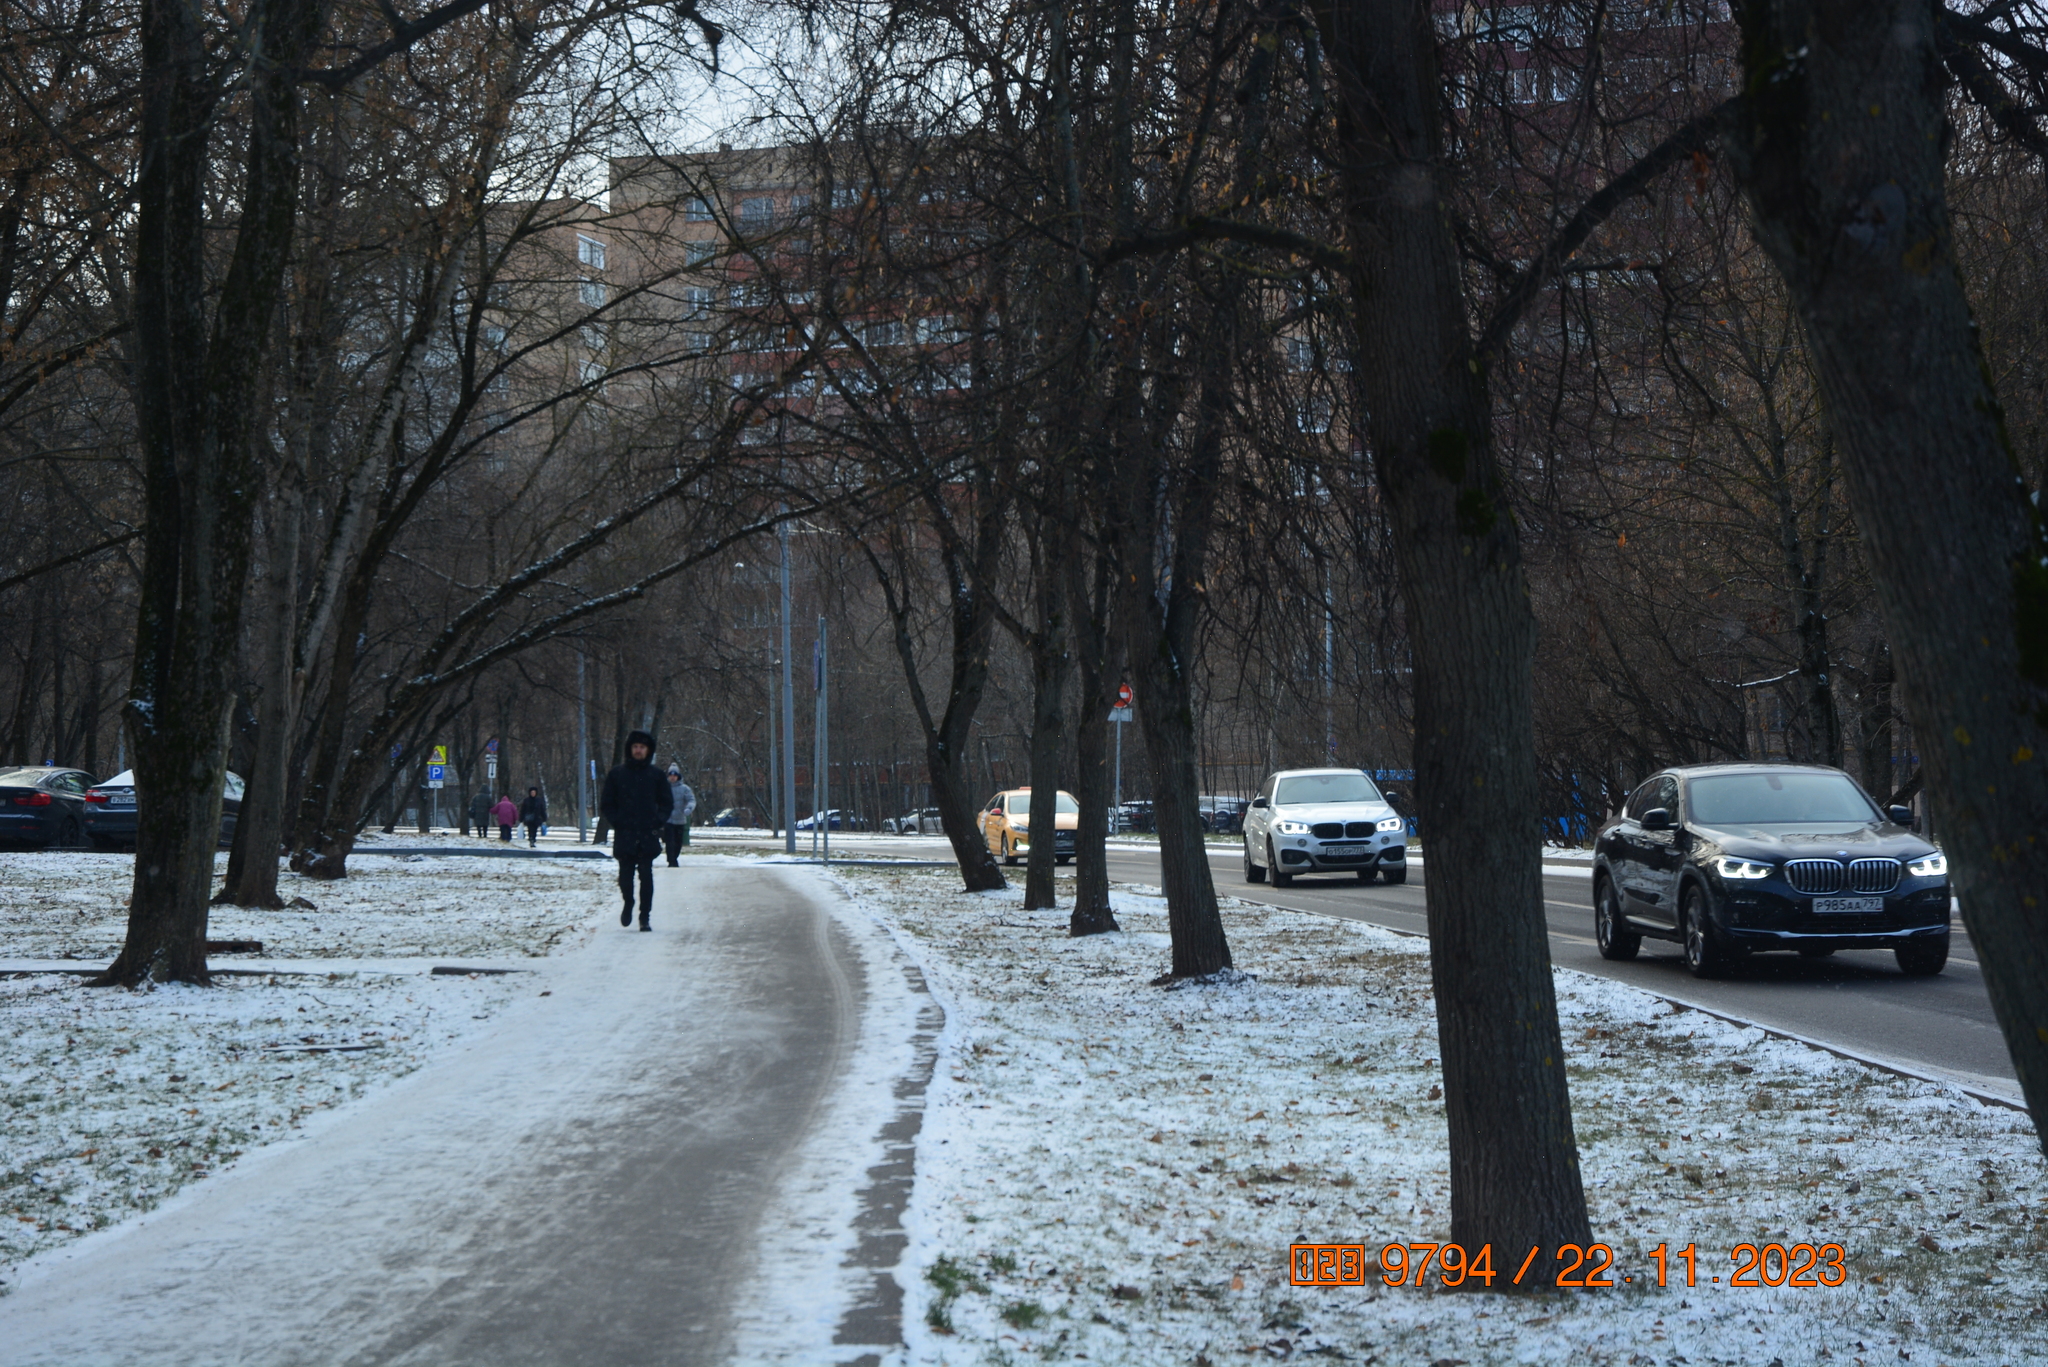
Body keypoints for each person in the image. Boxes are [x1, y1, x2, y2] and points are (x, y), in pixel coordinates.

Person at [600, 731, 670, 930]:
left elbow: (666, 803)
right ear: (630, 749)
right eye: (635, 747)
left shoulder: (656, 776)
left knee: (646, 876)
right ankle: (628, 902)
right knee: (625, 876)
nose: (638, 750)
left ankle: (644, 917)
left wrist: (658, 821)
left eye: (642, 747)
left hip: (647, 833)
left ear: (648, 751)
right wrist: (618, 821)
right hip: (625, 833)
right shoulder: (617, 774)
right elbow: (607, 803)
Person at [663, 766, 697, 866]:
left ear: (678, 776)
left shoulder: (685, 789)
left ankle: (675, 857)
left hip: (680, 820)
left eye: (675, 775)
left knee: (678, 842)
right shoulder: (663, 788)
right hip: (668, 820)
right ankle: (671, 860)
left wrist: (689, 808)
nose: (672, 777)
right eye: (671, 775)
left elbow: (691, 800)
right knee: (669, 842)